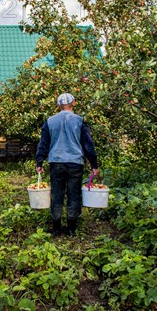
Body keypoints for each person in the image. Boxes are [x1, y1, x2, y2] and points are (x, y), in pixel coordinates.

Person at [35, 93, 99, 237]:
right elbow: (88, 145)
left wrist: (39, 161)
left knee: (57, 195)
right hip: (75, 163)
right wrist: (94, 165)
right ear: (74, 103)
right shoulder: (80, 121)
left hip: (56, 163)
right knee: (73, 195)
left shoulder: (50, 121)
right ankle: (71, 228)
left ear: (58, 105)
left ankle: (56, 228)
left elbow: (43, 144)